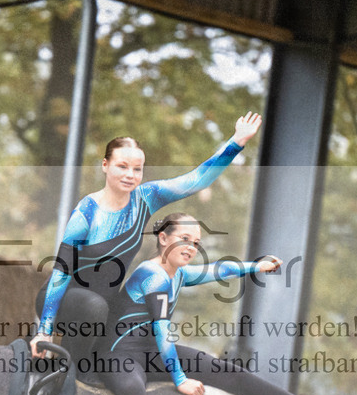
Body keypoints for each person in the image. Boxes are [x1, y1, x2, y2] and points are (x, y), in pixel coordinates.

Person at [99, 213, 356, 395]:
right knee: (133, 393)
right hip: (120, 354)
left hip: (149, 352)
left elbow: (218, 269)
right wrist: (180, 379)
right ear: (163, 238)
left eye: (195, 243)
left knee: (226, 372)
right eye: (184, 239)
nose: (191, 247)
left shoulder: (178, 273)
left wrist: (255, 266)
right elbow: (162, 331)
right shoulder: (152, 274)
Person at [30, 112, 263, 364]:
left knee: (127, 324)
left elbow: (196, 180)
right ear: (105, 165)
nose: (130, 174)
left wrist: (236, 142)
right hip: (66, 300)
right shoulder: (86, 212)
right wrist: (44, 329)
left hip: (104, 308)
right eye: (122, 166)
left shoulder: (145, 199)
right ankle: (71, 373)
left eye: (137, 169)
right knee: (94, 308)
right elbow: (61, 272)